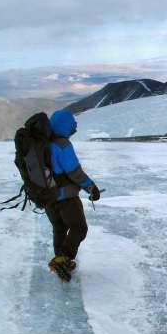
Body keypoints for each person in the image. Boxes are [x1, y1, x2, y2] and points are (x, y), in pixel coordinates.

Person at [46, 109, 101, 280]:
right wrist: (91, 187)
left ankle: (60, 261)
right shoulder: (62, 144)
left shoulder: (43, 143)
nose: (73, 128)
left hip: (47, 197)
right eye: (72, 125)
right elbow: (74, 172)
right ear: (65, 125)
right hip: (66, 198)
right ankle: (62, 260)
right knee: (79, 228)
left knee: (60, 228)